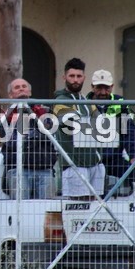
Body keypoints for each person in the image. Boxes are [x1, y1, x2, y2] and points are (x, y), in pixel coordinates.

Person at [52, 57, 105, 200]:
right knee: (78, 207)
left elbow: (103, 126)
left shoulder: (87, 101)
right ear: (64, 77)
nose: (75, 80)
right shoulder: (59, 101)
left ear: (84, 78)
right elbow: (76, 125)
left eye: (79, 76)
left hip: (95, 162)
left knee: (97, 206)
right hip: (74, 165)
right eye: (71, 76)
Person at [86, 69, 135, 197]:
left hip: (114, 159)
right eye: (99, 88)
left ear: (112, 87)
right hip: (90, 161)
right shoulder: (83, 104)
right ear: (92, 87)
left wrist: (133, 156)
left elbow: (128, 131)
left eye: (106, 88)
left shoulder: (120, 104)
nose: (103, 92)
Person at [2, 79, 55, 199]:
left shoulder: (45, 111)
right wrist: (37, 135)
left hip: (44, 168)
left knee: (47, 208)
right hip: (17, 170)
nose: (21, 89)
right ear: (10, 95)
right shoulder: (6, 117)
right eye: (17, 87)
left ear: (30, 92)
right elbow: (10, 141)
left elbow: (49, 134)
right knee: (21, 208)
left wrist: (27, 137)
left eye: (24, 86)